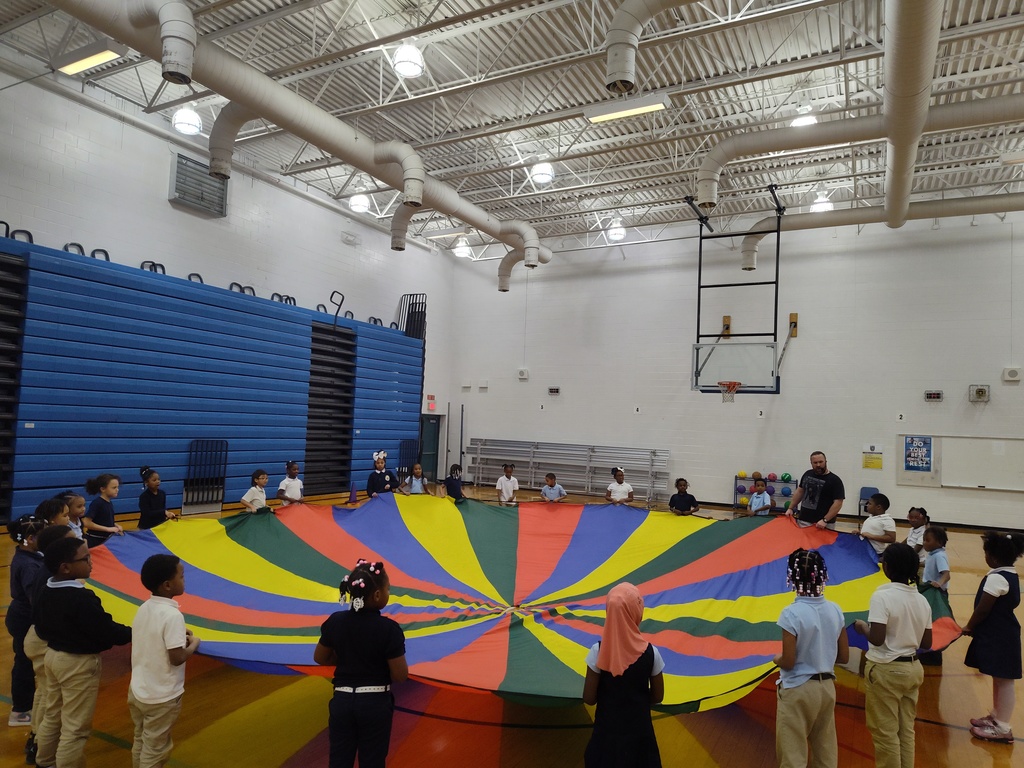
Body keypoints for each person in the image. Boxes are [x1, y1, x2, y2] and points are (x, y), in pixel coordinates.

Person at [33, 537, 132, 768]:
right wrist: (136, 632)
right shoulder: (81, 598)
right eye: (85, 558)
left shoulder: (46, 589)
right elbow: (106, 631)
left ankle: (44, 762)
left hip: (52, 657)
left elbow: (40, 626)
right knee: (75, 728)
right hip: (77, 665)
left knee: (52, 715)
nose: (91, 562)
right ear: (66, 567)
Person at [314, 559, 408, 768]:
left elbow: (320, 657)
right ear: (377, 595)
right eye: (388, 589)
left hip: (342, 701)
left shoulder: (335, 621)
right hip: (374, 704)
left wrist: (348, 657)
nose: (388, 593)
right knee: (372, 761)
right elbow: (400, 675)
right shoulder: (389, 629)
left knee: (339, 761)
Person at [853, 543, 932, 768]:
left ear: (886, 567)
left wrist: (862, 627)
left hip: (886, 670)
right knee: (906, 731)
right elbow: (926, 643)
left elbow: (877, 639)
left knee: (885, 733)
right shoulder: (922, 600)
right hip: (913, 669)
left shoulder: (882, 596)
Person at [774, 549, 849, 768]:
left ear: (792, 577)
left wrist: (776, 659)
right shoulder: (835, 610)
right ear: (822, 576)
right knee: (825, 753)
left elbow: (788, 661)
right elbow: (844, 656)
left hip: (798, 689)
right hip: (826, 688)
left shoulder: (791, 614)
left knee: (793, 756)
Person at [129, 554, 201, 768]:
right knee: (155, 750)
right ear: (168, 585)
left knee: (141, 739)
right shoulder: (172, 616)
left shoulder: (144, 607)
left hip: (138, 690)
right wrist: (194, 644)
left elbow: (153, 635)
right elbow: (177, 658)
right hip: (161, 697)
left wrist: (178, 635)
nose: (184, 580)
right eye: (182, 576)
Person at [582, 582, 663, 767]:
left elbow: (589, 698)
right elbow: (658, 696)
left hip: (606, 739)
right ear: (636, 612)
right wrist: (636, 702)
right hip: (640, 739)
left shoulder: (597, 652)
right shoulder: (652, 653)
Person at [21, 525, 76, 766]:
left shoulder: (46, 570)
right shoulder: (49, 576)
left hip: (36, 636)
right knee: (51, 700)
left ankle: (36, 738)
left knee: (44, 694)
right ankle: (41, 749)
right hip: (42, 640)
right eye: (71, 541)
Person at [962, 531, 1024, 744]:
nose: (985, 557)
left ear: (994, 558)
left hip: (1001, 636)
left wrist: (970, 625)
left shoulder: (997, 577)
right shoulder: (1009, 574)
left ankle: (1003, 728)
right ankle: (997, 718)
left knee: (1005, 681)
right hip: (1001, 634)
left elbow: (983, 609)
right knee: (999, 679)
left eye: (986, 554)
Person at [6, 515, 47, 728]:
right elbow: (35, 598)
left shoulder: (29, 555)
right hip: (24, 618)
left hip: (22, 615)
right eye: (43, 535)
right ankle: (20, 710)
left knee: (25, 660)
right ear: (30, 539)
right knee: (24, 663)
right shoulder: (28, 565)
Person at [786, 452, 844, 530]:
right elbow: (800, 491)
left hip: (824, 524)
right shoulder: (807, 474)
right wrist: (790, 508)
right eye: (815, 462)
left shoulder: (835, 480)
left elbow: (838, 503)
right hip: (804, 520)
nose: (818, 465)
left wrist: (825, 520)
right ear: (811, 463)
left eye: (821, 462)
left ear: (826, 462)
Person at [83, 473, 124, 547]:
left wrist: (116, 526)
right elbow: (86, 522)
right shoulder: (97, 503)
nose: (117, 490)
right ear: (103, 489)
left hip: (105, 540)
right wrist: (108, 529)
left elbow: (104, 520)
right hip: (95, 541)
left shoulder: (109, 503)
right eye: (114, 487)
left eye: (118, 487)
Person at [921, 526, 950, 592]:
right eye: (924, 540)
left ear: (940, 542)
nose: (924, 543)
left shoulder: (939, 556)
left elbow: (946, 575)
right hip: (929, 588)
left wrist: (939, 583)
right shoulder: (932, 554)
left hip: (936, 591)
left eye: (927, 540)